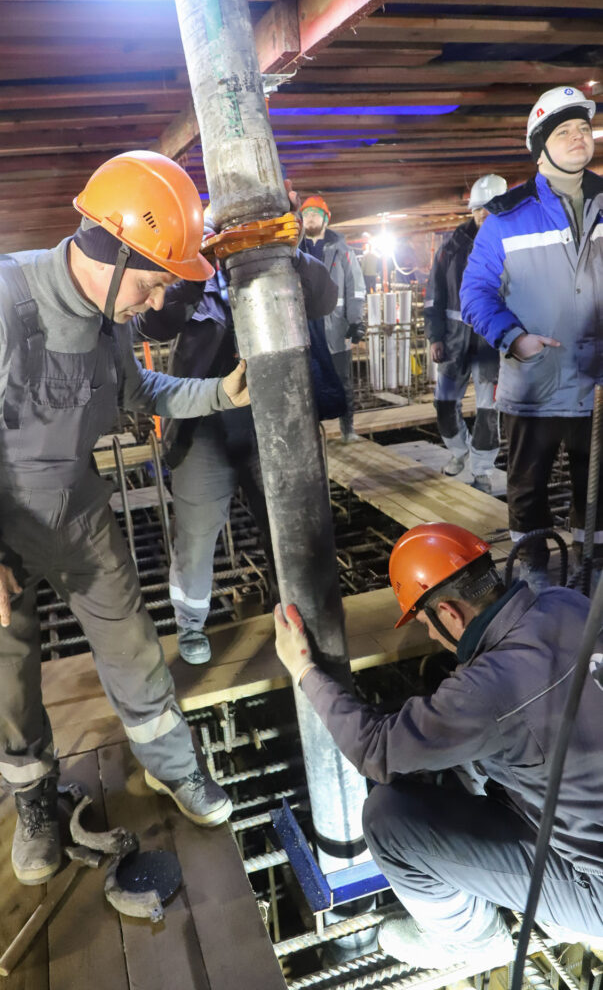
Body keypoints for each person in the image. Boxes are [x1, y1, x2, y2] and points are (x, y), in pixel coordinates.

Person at [0, 150, 251, 887]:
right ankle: (35, 799)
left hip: (78, 511)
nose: (159, 301)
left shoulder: (110, 319)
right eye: (153, 279)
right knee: (5, 678)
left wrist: (219, 394)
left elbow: (140, 394)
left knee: (134, 647)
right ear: (111, 251)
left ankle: (172, 766)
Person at [274, 522, 603, 968]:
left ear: (449, 612)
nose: (429, 635)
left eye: (425, 622)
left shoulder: (486, 689)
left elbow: (374, 750)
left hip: (596, 884)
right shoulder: (565, 601)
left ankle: (474, 941)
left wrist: (303, 670)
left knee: (388, 820)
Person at [134, 209, 340, 665]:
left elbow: (325, 299)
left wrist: (291, 251)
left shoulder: (284, 265)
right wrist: (195, 269)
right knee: (197, 533)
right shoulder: (194, 281)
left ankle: (294, 614)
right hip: (203, 424)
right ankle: (190, 623)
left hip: (275, 420)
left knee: (286, 525)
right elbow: (153, 324)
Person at [461, 87, 603, 592]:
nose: (578, 137)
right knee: (528, 492)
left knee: (598, 493)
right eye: (563, 131)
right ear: (539, 148)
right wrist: (513, 338)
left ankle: (593, 579)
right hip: (534, 385)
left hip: (597, 386)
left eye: (583, 128)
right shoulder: (506, 217)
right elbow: (475, 292)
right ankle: (536, 584)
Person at [425, 174, 506, 492]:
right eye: (477, 208)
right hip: (454, 340)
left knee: (488, 409)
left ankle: (482, 469)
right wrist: (435, 336)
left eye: (488, 207)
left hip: (490, 342)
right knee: (444, 402)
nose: (482, 213)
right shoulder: (451, 246)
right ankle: (459, 451)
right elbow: (434, 296)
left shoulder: (511, 243)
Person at [300, 195, 367, 443]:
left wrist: (356, 321)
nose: (310, 218)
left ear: (326, 219)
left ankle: (347, 429)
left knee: (342, 380)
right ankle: (312, 433)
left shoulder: (342, 250)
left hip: (336, 327)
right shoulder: (294, 250)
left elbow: (355, 287)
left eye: (315, 214)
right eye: (306, 214)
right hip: (305, 328)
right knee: (308, 381)